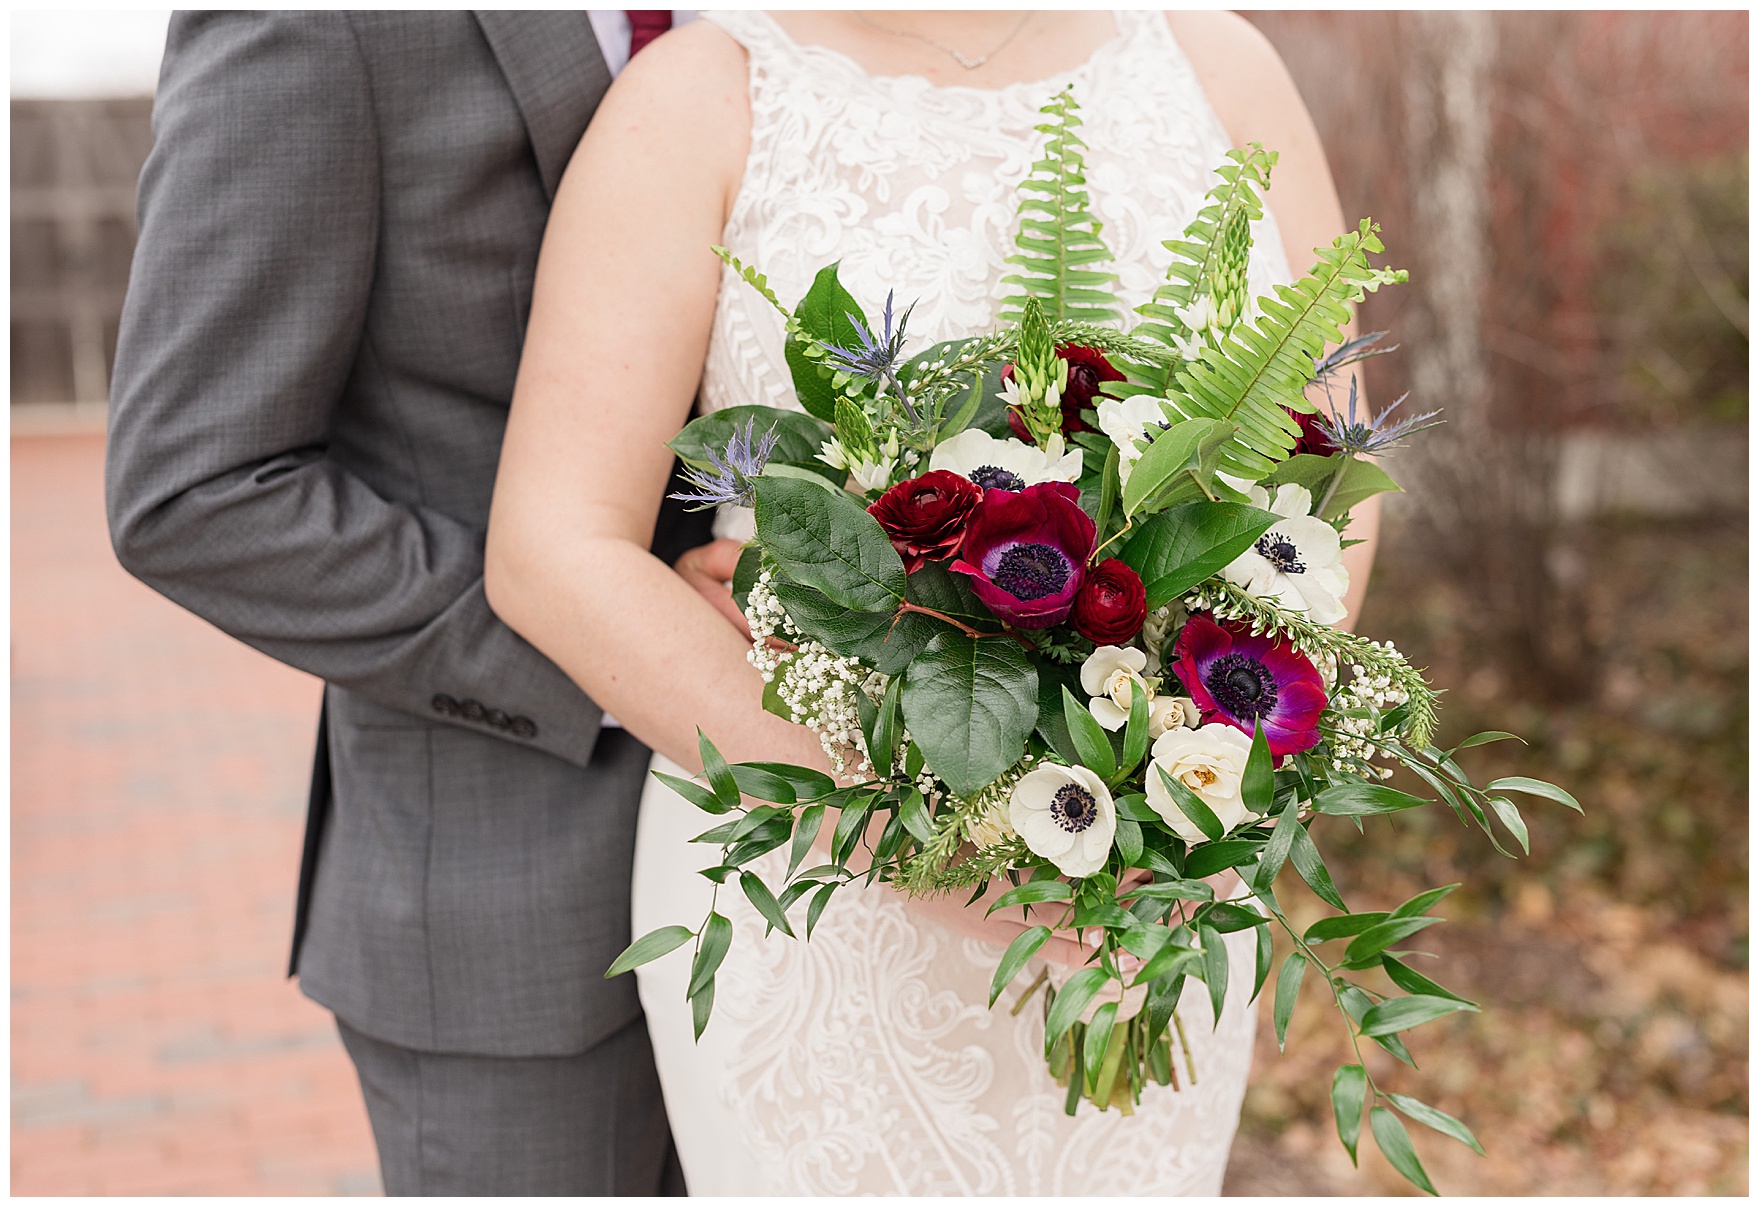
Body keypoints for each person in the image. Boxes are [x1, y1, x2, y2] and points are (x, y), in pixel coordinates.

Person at [487, 9, 1381, 1195]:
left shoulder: (1222, 64)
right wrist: (902, 832)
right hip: (818, 891)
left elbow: (1337, 480)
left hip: (1157, 897)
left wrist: (1218, 780)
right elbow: (551, 544)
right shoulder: (700, 95)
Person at [104, 11, 727, 1196]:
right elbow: (194, 489)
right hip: (515, 913)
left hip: (842, 895)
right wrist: (623, 648)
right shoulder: (315, 21)